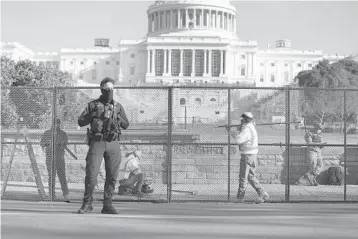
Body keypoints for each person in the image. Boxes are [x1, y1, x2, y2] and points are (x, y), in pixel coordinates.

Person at [77, 77, 129, 214]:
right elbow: (80, 121)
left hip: (113, 143)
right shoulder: (93, 105)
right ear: (101, 89)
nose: (109, 91)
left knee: (112, 175)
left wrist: (117, 118)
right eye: (107, 89)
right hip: (97, 142)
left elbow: (126, 124)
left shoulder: (117, 106)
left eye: (112, 89)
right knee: (91, 175)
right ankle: (87, 203)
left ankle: (108, 204)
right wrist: (93, 115)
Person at [225, 112, 269, 204]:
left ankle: (240, 197)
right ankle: (262, 193)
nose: (240, 121)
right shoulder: (250, 127)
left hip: (247, 156)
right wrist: (238, 129)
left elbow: (239, 139)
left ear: (244, 120)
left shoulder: (247, 129)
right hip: (252, 156)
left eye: (242, 120)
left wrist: (231, 131)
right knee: (250, 177)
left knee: (243, 177)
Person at [40, 119, 70, 202]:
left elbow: (65, 144)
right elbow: (41, 143)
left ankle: (66, 194)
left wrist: (60, 143)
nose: (56, 125)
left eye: (58, 124)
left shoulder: (63, 134)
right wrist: (48, 143)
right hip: (50, 158)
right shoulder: (47, 133)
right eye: (55, 124)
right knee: (51, 177)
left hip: (59, 157)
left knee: (62, 176)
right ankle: (52, 195)